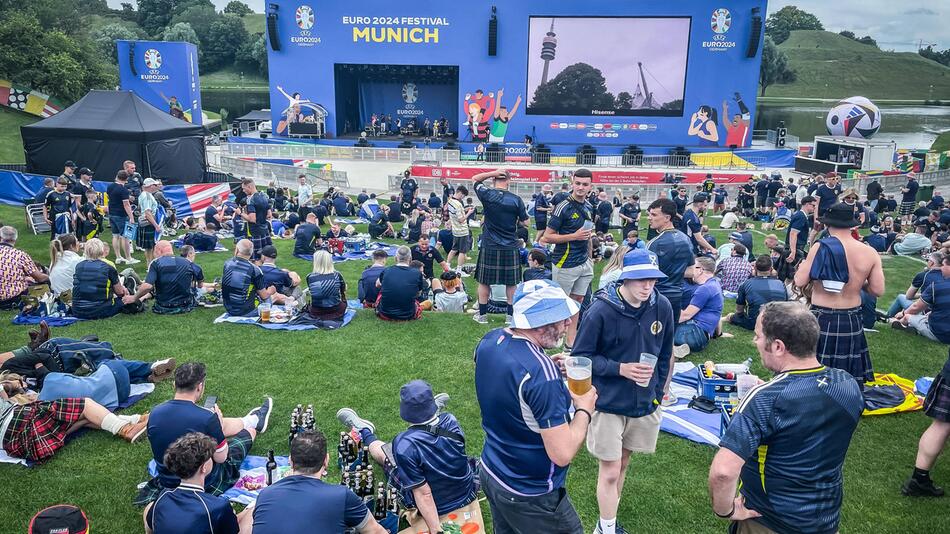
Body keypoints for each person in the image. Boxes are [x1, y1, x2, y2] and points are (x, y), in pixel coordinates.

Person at [708, 301, 864, 534]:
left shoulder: (766, 399)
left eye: (758, 336)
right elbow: (809, 414)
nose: (755, 342)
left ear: (778, 346)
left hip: (770, 521)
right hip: (825, 520)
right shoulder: (847, 384)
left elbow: (723, 472)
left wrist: (726, 511)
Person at [474, 279, 594, 534]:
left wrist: (543, 363)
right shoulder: (541, 376)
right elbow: (562, 453)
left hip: (492, 471)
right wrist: (584, 408)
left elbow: (509, 376)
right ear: (540, 321)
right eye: (561, 317)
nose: (568, 323)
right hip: (530, 492)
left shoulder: (490, 339)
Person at [572, 249, 672, 534]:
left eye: (652, 280)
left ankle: (608, 519)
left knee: (624, 462)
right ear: (625, 278)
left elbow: (665, 352)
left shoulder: (661, 305)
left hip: (643, 402)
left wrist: (658, 391)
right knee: (611, 469)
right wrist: (620, 369)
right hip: (609, 402)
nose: (647, 286)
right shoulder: (601, 309)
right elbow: (581, 357)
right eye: (641, 279)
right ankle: (605, 528)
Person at [337, 380, 476, 533]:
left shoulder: (404, 444)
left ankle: (364, 430)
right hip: (466, 492)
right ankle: (429, 417)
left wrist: (436, 530)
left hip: (438, 506)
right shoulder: (451, 420)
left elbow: (424, 494)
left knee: (386, 455)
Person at [140, 362, 271, 504]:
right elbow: (221, 458)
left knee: (214, 426)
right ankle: (253, 422)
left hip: (167, 479)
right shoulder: (206, 417)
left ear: (174, 385)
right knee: (249, 433)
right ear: (200, 387)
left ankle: (251, 419)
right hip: (202, 481)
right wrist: (217, 427)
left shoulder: (155, 412)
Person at [795, 203, 885, 385]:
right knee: (847, 363)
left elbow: (799, 281)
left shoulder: (820, 247)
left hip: (823, 314)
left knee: (816, 361)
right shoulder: (869, 252)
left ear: (827, 224)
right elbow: (877, 290)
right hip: (851, 316)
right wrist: (858, 281)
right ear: (852, 225)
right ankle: (846, 396)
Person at [247, 430, 387, 534]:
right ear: (326, 460)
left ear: (290, 460)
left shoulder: (265, 495)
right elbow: (375, 531)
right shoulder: (341, 495)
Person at [0, 378, 148, 463]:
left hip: (16, 444)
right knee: (86, 404)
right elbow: (4, 390)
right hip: (21, 421)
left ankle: (134, 420)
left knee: (83, 417)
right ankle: (126, 428)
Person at [143, 432, 244, 534]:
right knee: (251, 513)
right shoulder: (218, 506)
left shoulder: (163, 496)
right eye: (210, 457)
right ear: (203, 467)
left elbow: (151, 528)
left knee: (150, 507)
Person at [541, 169, 595, 349]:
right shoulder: (563, 206)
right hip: (565, 263)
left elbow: (586, 235)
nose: (580, 187)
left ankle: (570, 344)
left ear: (590, 186)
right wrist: (574, 236)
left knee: (577, 303)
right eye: (577, 183)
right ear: (572, 183)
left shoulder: (589, 206)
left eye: (585, 184)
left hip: (584, 263)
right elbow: (547, 237)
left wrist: (590, 256)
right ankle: (553, 341)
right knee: (562, 305)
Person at [471, 169, 529, 325]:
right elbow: (526, 222)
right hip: (510, 245)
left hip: (490, 244)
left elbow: (475, 178)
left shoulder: (487, 194)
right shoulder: (516, 200)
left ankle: (482, 317)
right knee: (511, 283)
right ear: (509, 181)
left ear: (493, 181)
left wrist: (493, 172)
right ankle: (509, 318)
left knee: (484, 282)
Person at [646, 198, 694, 324]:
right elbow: (691, 272)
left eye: (654, 214)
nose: (649, 218)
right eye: (649, 214)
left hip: (656, 295)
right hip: (677, 295)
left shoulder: (654, 243)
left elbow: (646, 274)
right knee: (669, 335)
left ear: (667, 218)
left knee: (650, 337)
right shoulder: (686, 239)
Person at [892, 254, 950, 343]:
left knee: (905, 310)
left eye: (944, 265)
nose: (941, 268)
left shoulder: (935, 284)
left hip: (940, 333)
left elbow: (912, 301)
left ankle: (892, 320)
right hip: (937, 317)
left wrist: (903, 313)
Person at [129, 240, 199, 314]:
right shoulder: (188, 263)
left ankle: (140, 295)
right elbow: (199, 281)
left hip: (164, 307)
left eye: (154, 252)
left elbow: (148, 286)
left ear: (159, 251)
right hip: (186, 305)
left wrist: (134, 298)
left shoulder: (156, 263)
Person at [724, 255, 789, 331]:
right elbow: (785, 305)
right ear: (771, 269)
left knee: (731, 316)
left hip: (754, 323)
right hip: (779, 323)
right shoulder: (781, 284)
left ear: (754, 268)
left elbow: (739, 311)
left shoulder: (746, 284)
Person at [70, 238, 129, 320]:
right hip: (101, 311)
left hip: (77, 310)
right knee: (124, 299)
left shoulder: (79, 266)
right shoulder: (108, 267)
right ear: (102, 251)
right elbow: (119, 292)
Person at [674, 256, 723, 355]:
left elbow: (685, 316)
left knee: (657, 333)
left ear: (700, 270)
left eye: (692, 268)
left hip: (694, 333)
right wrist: (718, 333)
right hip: (703, 335)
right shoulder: (715, 284)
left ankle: (675, 348)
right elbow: (718, 315)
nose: (690, 271)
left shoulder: (704, 289)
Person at [221, 239, 276, 317]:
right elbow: (264, 295)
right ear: (252, 252)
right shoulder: (254, 269)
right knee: (268, 298)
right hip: (246, 311)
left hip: (229, 308)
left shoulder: (227, 263)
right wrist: (271, 291)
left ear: (237, 249)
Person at [0, 226, 50, 309]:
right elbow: (39, 278)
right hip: (13, 299)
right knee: (43, 282)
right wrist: (50, 277)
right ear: (15, 239)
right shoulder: (20, 255)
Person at [884, 252, 945, 319]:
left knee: (901, 297)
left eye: (928, 260)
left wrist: (922, 295)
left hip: (926, 312)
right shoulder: (946, 276)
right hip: (943, 312)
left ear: (931, 263)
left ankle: (887, 318)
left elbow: (909, 296)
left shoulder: (923, 275)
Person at [376, 246, 428, 321]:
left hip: (385, 313)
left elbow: (377, 284)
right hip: (408, 314)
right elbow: (418, 293)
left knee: (381, 293)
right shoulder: (417, 273)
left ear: (396, 257)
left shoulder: (387, 270)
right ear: (410, 258)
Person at [301, 250, 347, 321]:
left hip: (316, 312)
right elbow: (343, 290)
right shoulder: (337, 275)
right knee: (341, 304)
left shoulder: (310, 277)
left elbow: (313, 292)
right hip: (336, 310)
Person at [238, 178, 272, 259]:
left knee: (255, 258)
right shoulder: (264, 196)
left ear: (249, 186)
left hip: (255, 231)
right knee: (266, 255)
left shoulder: (250, 200)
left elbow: (252, 219)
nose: (243, 190)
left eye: (244, 188)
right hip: (265, 230)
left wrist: (240, 213)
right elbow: (269, 215)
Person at [445, 186, 474, 273]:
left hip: (455, 230)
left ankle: (447, 266)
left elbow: (455, 214)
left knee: (454, 249)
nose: (463, 198)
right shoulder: (458, 204)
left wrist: (464, 210)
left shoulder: (450, 201)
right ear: (460, 193)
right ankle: (459, 270)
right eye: (463, 195)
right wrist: (469, 212)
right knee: (462, 251)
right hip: (462, 231)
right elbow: (461, 220)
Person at [136, 178, 162, 265]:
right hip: (149, 223)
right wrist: (156, 226)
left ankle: (150, 264)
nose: (156, 186)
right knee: (150, 247)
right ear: (150, 186)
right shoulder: (147, 196)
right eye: (155, 185)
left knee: (149, 247)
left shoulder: (143, 194)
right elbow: (147, 213)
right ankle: (150, 265)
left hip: (146, 222)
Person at [786, 195, 815, 264]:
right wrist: (793, 252)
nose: (815, 207)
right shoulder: (801, 216)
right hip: (796, 247)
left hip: (797, 246)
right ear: (807, 204)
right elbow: (793, 233)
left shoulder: (801, 215)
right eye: (813, 205)